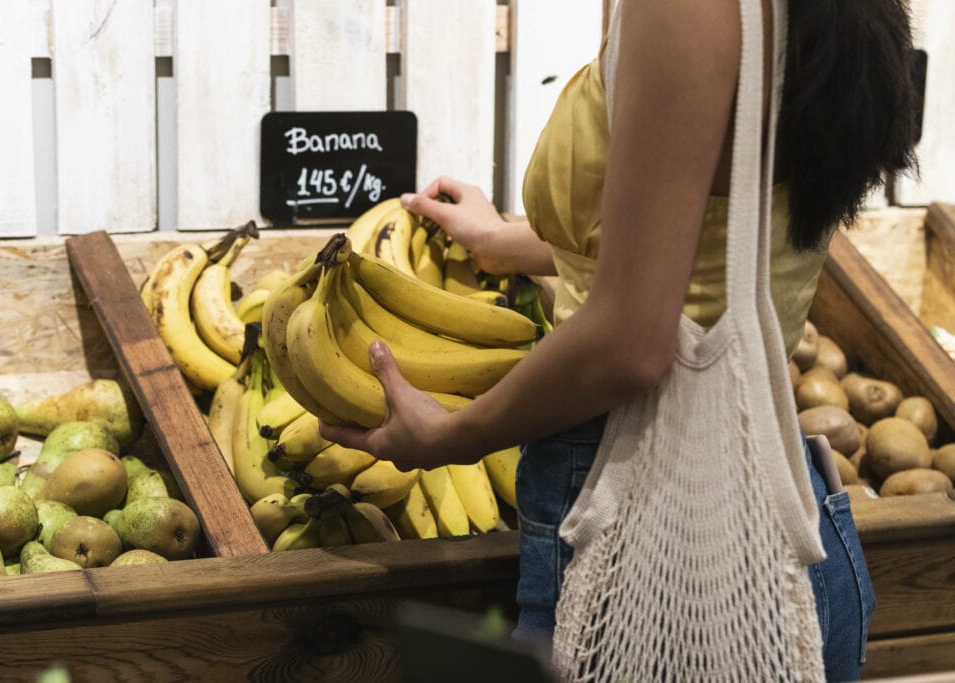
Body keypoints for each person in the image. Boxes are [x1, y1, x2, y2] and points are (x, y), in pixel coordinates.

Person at [322, 0, 920, 679]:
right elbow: (709, 237)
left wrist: (449, 436)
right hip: (776, 505)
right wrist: (504, 245)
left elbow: (632, 344)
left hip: (648, 517)